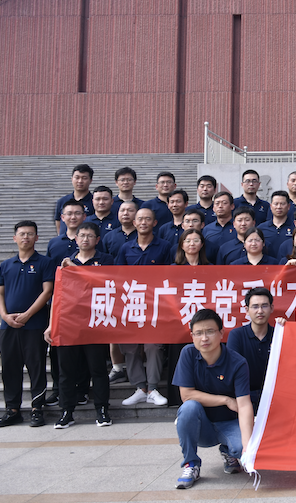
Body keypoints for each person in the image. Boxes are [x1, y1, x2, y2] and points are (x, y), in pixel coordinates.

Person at [172, 308, 253, 489]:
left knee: (241, 448)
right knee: (189, 408)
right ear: (192, 336)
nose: (204, 338)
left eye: (210, 331)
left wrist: (248, 448)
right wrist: (226, 400)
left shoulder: (237, 362)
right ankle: (191, 464)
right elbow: (186, 395)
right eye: (198, 333)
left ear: (221, 333)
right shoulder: (188, 353)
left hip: (229, 422)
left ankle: (228, 450)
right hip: (202, 427)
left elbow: (244, 405)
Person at [48, 222, 113, 428]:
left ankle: (102, 410)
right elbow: (57, 296)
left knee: (98, 370)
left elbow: (100, 283)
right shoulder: (64, 263)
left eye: (90, 236)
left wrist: (74, 269)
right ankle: (66, 411)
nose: (85, 239)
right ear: (75, 239)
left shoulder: (106, 260)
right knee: (66, 372)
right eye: (82, 235)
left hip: (95, 323)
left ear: (97, 240)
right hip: (69, 324)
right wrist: (51, 325)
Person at [0, 221, 55, 429]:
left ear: (36, 238)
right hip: (8, 326)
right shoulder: (6, 265)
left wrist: (27, 315)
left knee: (36, 367)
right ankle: (12, 410)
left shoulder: (45, 262)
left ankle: (37, 408)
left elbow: (47, 291)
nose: (25, 237)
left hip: (35, 325)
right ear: (15, 238)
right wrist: (5, 316)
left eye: (30, 234)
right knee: (9, 367)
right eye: (22, 234)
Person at [120, 208, 172, 408]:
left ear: (155, 223)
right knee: (130, 347)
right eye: (140, 219)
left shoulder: (165, 246)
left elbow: (171, 275)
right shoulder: (126, 248)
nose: (143, 222)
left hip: (156, 305)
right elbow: (116, 277)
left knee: (153, 346)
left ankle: (152, 388)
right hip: (131, 304)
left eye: (147, 219)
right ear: (134, 223)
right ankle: (140, 388)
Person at [224, 288, 278, 413]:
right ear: (247, 310)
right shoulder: (236, 335)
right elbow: (232, 371)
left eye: (264, 306)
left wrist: (286, 329)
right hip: (244, 396)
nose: (260, 311)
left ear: (271, 308)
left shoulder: (279, 334)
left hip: (274, 397)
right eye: (255, 306)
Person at [54, 164, 94, 235]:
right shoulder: (62, 201)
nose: (80, 181)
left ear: (90, 180)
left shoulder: (94, 202)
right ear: (72, 179)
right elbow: (58, 223)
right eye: (77, 178)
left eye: (84, 178)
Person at [47, 199, 84, 264]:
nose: (73, 217)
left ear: (84, 216)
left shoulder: (90, 241)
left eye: (77, 213)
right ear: (62, 217)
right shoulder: (53, 242)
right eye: (69, 214)